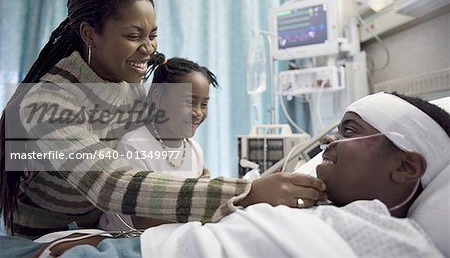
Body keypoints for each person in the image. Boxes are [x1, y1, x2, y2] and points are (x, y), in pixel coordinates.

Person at [0, 0, 325, 240]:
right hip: (46, 236)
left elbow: (167, 145)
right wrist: (246, 191)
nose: (148, 48)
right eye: (133, 35)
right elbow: (110, 184)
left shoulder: (128, 86)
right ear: (89, 34)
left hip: (99, 229)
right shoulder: (47, 101)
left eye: (152, 35)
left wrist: (209, 181)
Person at [24, 91, 450, 257]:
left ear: (406, 166)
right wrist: (248, 191)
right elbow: (115, 189)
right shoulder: (48, 103)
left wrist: (246, 193)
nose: (328, 145)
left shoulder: (392, 240)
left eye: (349, 133)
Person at [99, 56, 219, 231]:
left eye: (204, 104)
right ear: (157, 97)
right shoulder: (133, 147)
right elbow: (137, 220)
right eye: (189, 102)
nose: (198, 113)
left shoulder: (194, 150)